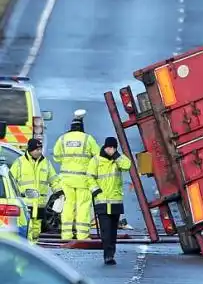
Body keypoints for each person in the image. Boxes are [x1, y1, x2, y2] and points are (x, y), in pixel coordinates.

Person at [52, 111, 100, 240]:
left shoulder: (62, 139)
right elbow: (97, 156)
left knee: (68, 206)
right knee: (83, 206)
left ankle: (66, 234)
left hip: (66, 179)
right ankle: (82, 235)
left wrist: (67, 161)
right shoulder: (87, 139)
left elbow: (56, 156)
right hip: (83, 179)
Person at [87, 137, 131, 265]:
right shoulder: (96, 160)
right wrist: (95, 190)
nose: (110, 150)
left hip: (115, 201)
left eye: (113, 148)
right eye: (109, 147)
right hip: (101, 201)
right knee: (105, 230)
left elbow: (127, 165)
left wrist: (116, 155)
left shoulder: (117, 160)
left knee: (113, 231)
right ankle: (107, 255)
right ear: (105, 147)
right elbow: (89, 177)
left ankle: (111, 253)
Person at [9, 139, 62, 244]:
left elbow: (54, 179)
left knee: (36, 230)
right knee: (27, 228)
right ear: (30, 150)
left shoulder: (46, 163)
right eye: (36, 149)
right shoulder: (20, 163)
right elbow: (11, 181)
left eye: (40, 149)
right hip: (25, 204)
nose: (39, 151)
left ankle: (33, 249)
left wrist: (59, 191)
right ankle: (27, 250)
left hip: (40, 204)